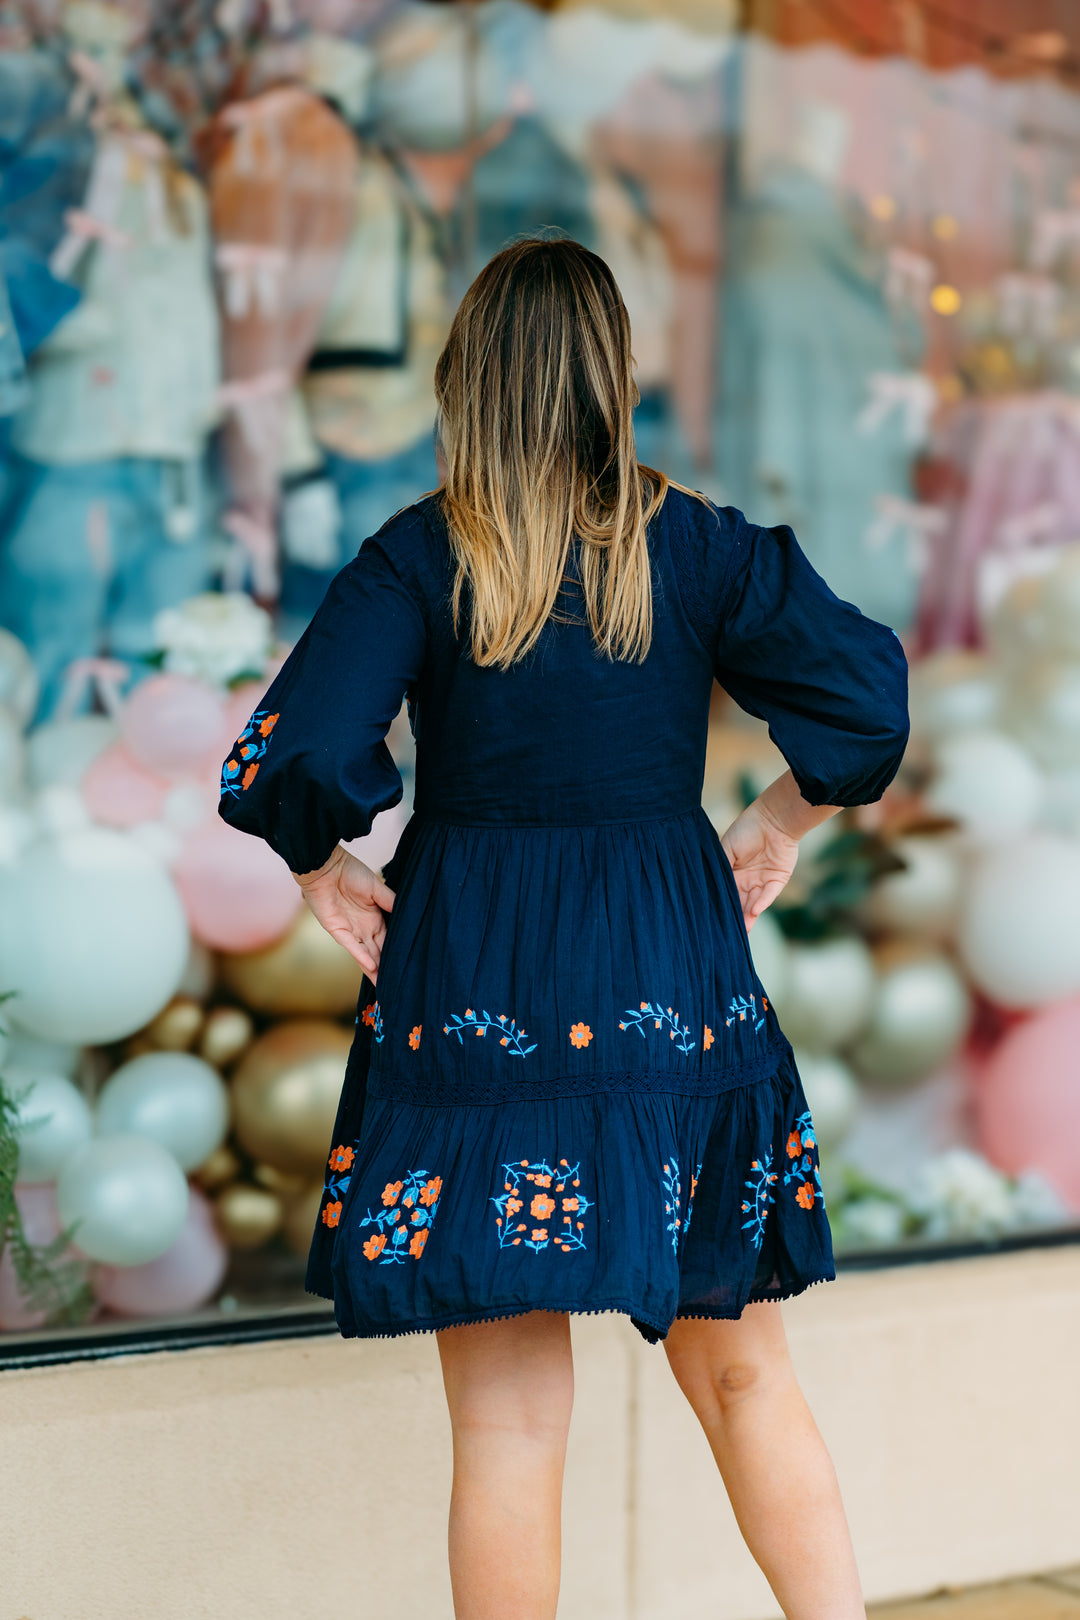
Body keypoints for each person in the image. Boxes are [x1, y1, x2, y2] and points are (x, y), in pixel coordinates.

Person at [219, 237, 908, 1620]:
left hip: (476, 968)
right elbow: (867, 701)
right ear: (616, 378)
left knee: (509, 1426)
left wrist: (321, 868)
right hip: (667, 964)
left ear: (463, 379)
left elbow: (294, 750)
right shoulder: (699, 545)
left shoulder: (421, 555)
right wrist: (779, 820)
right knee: (744, 1375)